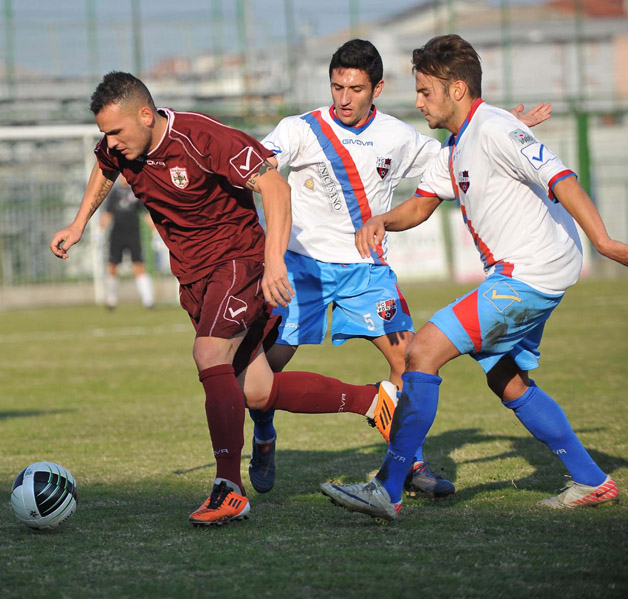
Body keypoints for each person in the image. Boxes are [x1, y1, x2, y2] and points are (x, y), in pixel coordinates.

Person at [50, 71, 394, 527]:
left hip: (238, 262)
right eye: (104, 134)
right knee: (257, 389)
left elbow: (276, 186)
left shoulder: (202, 138)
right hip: (195, 279)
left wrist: (273, 264)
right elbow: (104, 169)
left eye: (116, 132)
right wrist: (78, 224)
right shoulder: (118, 149)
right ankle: (374, 402)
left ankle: (229, 489)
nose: (110, 143)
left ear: (146, 115)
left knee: (208, 352)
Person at [321, 34, 627, 522]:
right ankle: (592, 480)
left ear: (457, 89)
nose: (418, 101)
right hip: (532, 274)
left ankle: (388, 489)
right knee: (506, 379)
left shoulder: (495, 129)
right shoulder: (459, 142)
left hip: (525, 275)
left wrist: (606, 242)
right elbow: (422, 203)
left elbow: (561, 178)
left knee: (421, 352)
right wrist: (381, 220)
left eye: (425, 92)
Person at [248, 38, 551, 499]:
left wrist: (506, 130)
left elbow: (459, 154)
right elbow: (258, 166)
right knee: (265, 370)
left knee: (408, 362)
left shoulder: (399, 136)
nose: (343, 98)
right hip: (302, 270)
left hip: (367, 273)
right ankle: (264, 429)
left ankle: (409, 462)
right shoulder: (299, 129)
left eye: (355, 88)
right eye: (336, 87)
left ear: (378, 88)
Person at [99, 176, 155, 310]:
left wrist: (155, 232)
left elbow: (146, 214)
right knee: (112, 265)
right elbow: (108, 214)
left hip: (133, 234)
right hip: (117, 234)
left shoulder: (136, 192)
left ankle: (148, 300)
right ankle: (111, 299)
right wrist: (99, 232)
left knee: (138, 264)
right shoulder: (114, 193)